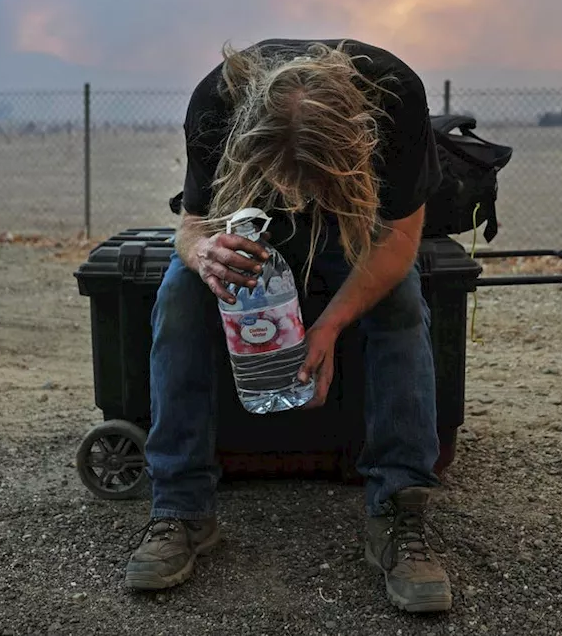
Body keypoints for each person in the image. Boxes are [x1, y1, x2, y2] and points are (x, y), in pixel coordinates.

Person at [124, 38, 452, 613]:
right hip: (249, 223)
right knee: (179, 292)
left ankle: (398, 511)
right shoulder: (216, 103)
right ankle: (180, 508)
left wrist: (326, 329)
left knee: (399, 299)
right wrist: (203, 255)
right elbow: (192, 226)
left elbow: (399, 240)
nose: (299, 198)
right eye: (289, 179)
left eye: (310, 180)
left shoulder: (397, 96)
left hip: (356, 223)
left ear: (360, 138)